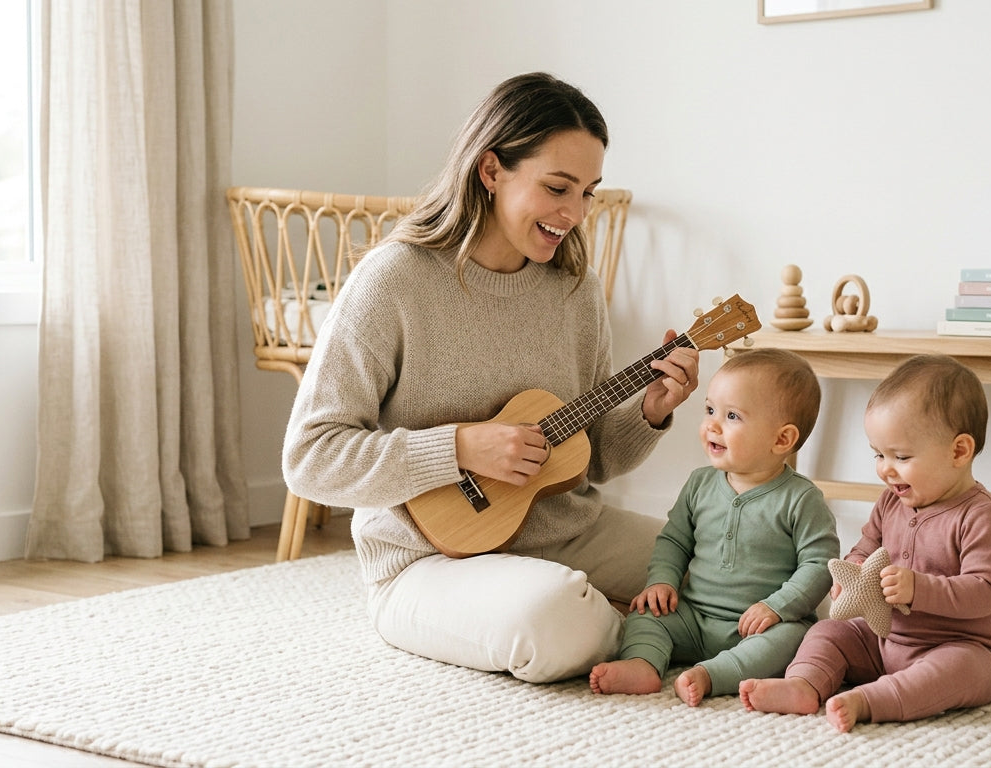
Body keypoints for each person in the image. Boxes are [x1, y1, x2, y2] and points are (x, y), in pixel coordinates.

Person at [281, 72, 700, 684]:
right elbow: (309, 458)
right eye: (558, 187)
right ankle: (652, 630)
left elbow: (593, 459)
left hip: (567, 536)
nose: (575, 213)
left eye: (588, 192)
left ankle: (641, 628)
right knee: (552, 617)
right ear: (490, 171)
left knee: (741, 568)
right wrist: (457, 448)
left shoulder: (574, 290)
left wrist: (651, 412)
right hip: (425, 561)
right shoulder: (393, 281)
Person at [738, 354, 991, 732]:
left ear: (959, 451)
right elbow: (866, 547)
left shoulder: (982, 518)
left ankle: (872, 700)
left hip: (959, 645)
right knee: (825, 632)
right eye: (878, 454)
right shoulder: (890, 502)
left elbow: (987, 592)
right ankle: (803, 684)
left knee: (956, 671)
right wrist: (852, 572)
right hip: (883, 637)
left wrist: (919, 588)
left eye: (901, 456)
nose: (885, 468)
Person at [589, 349, 839, 706]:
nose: (712, 425)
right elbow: (674, 541)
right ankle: (642, 663)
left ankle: (712, 674)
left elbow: (819, 566)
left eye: (732, 416)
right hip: (694, 615)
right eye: (710, 410)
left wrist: (777, 607)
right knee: (646, 615)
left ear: (782, 440)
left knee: (796, 638)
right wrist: (662, 581)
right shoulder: (699, 484)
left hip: (759, 625)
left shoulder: (801, 499)